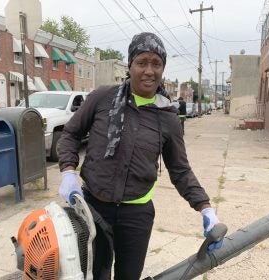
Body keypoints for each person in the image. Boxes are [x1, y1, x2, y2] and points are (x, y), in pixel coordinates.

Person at [58, 32, 222, 280]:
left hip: (136, 215)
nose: (149, 70)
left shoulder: (168, 117)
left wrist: (206, 208)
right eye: (142, 62)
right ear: (130, 65)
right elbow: (70, 134)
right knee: (93, 274)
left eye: (156, 64)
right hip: (93, 207)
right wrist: (68, 171)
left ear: (162, 69)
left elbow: (180, 170)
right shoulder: (102, 98)